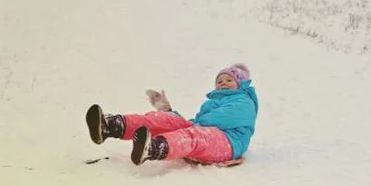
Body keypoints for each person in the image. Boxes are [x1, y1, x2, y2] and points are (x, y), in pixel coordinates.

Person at [85, 63, 259, 166]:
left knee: (194, 135)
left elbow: (218, 120)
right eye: (219, 81)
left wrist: (189, 123)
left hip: (230, 143)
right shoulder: (212, 103)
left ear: (241, 84)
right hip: (209, 132)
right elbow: (197, 123)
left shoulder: (244, 101)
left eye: (229, 80)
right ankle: (110, 126)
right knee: (165, 120)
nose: (224, 83)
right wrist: (169, 112)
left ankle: (153, 148)